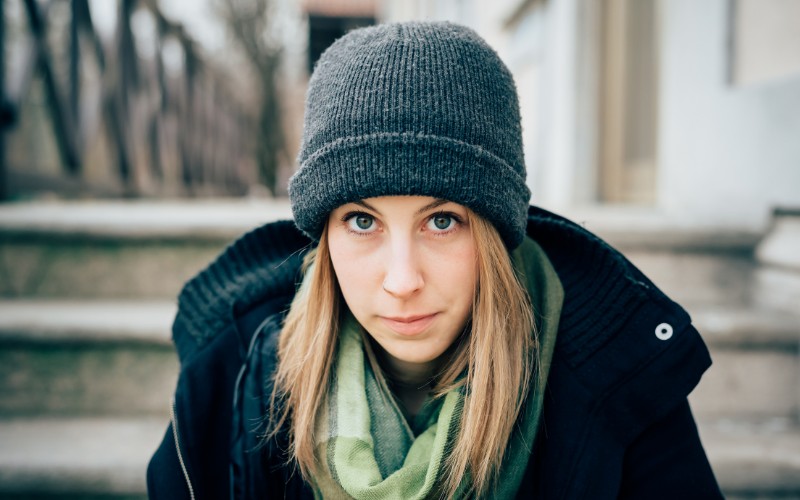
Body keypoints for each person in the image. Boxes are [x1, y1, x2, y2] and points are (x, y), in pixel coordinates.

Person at [147, 21, 722, 499]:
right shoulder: (234, 377)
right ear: (323, 236)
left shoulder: (619, 374)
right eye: (362, 221)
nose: (402, 281)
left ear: (495, 234)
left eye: (442, 221)